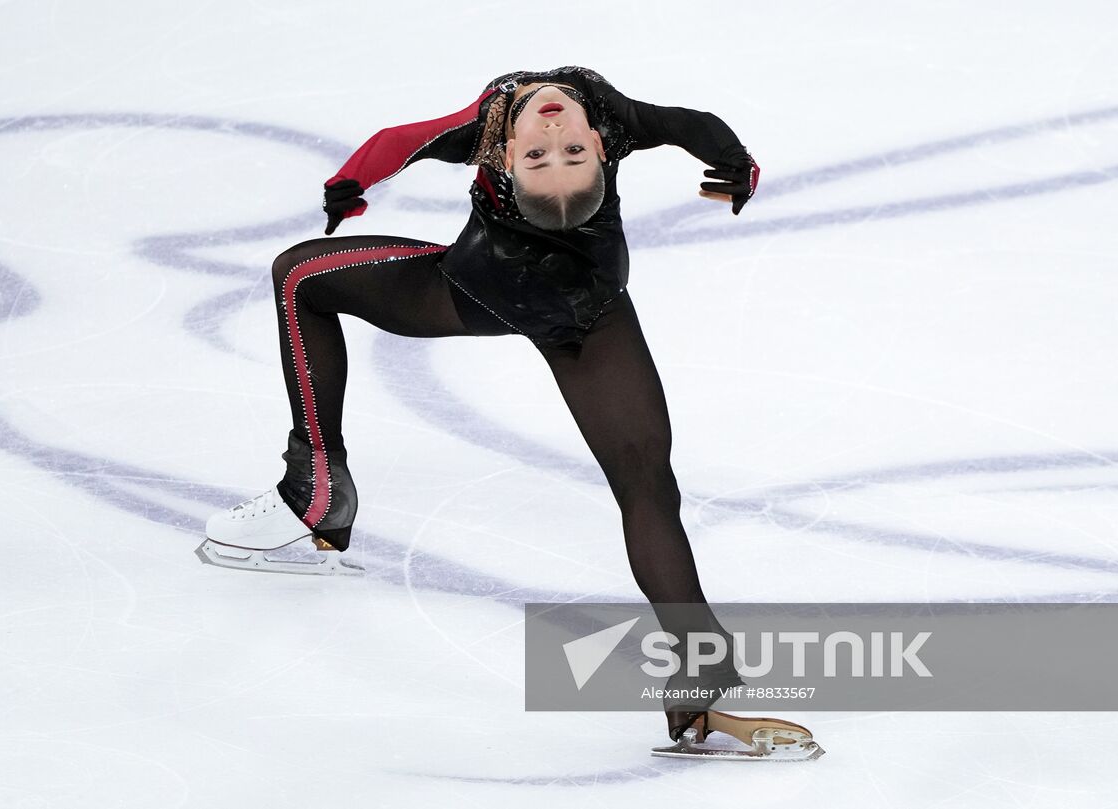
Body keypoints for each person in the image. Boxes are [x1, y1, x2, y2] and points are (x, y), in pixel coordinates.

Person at [198, 66, 820, 761]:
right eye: (552, 153)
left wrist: (351, 183)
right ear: (602, 147)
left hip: (480, 293)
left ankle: (314, 491)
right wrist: (734, 161)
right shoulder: (609, 114)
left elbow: (400, 141)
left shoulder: (492, 125)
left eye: (555, 153)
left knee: (299, 273)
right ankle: (701, 675)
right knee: (647, 487)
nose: (554, 134)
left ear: (509, 159)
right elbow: (687, 124)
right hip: (590, 308)